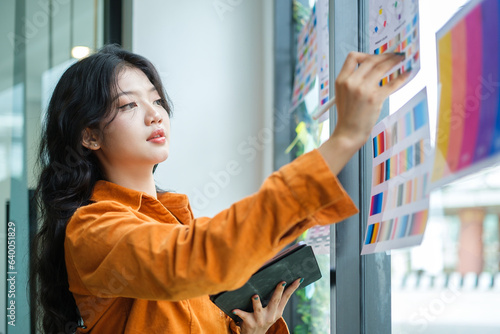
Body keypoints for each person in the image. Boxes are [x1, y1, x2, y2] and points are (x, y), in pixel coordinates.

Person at [30, 44, 409, 334]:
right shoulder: (93, 230)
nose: (155, 113)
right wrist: (343, 139)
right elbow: (199, 257)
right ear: (90, 135)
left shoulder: (178, 223)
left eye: (156, 99)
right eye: (129, 105)